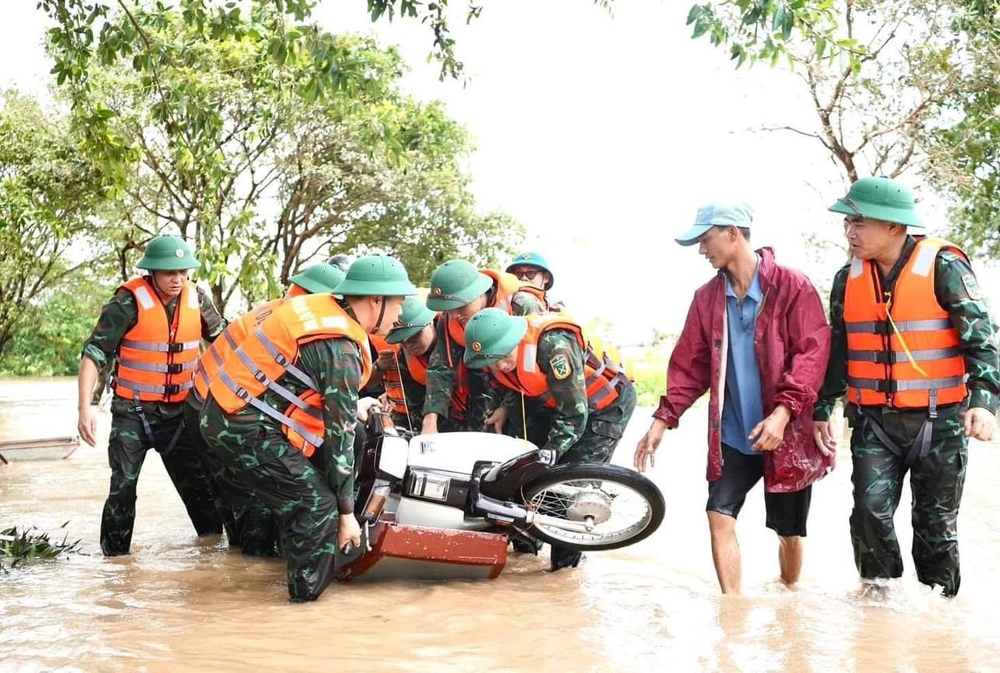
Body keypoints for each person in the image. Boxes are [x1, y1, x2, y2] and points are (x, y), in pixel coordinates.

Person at [813, 176, 999, 597]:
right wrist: (822, 406)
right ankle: (879, 610)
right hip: (873, 423)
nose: (850, 231)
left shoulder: (945, 268)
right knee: (868, 514)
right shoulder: (847, 279)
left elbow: (982, 343)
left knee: (935, 529)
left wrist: (984, 403)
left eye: (859, 222)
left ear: (895, 227)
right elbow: (840, 351)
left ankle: (939, 616)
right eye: (848, 222)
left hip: (941, 424)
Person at [633, 202, 833, 594]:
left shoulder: (793, 287)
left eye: (706, 240)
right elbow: (689, 366)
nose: (702, 250)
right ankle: (733, 611)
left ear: (732, 233)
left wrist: (782, 414)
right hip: (734, 434)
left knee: (788, 532)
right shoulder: (707, 299)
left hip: (784, 433)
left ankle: (789, 600)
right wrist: (662, 420)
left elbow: (812, 355)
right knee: (718, 514)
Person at [197, 254, 416, 602]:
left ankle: (288, 567)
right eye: (399, 303)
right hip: (240, 424)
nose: (401, 314)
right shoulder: (340, 347)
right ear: (377, 300)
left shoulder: (321, 308)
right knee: (316, 504)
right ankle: (304, 603)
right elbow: (339, 436)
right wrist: (346, 514)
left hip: (229, 410)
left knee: (305, 491)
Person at [77, 234, 226, 556]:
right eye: (169, 272)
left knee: (200, 487)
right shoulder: (127, 302)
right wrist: (85, 408)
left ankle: (214, 556)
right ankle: (115, 564)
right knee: (123, 487)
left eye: (183, 271)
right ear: (152, 273)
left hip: (181, 414)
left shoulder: (197, 298)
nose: (177, 279)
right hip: (134, 412)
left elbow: (226, 342)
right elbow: (94, 353)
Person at [186, 261, 347, 556]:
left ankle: (240, 560)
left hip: (206, 404)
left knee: (239, 499)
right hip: (221, 408)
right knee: (254, 497)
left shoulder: (281, 312)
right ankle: (252, 570)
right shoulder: (291, 323)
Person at [463, 308, 636, 570]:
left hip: (603, 408)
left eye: (503, 357)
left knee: (570, 486)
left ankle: (565, 572)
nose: (500, 366)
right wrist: (505, 410)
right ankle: (527, 553)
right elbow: (517, 386)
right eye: (492, 362)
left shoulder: (555, 348)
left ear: (515, 341)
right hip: (553, 406)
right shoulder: (499, 359)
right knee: (525, 477)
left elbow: (574, 414)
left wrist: (550, 454)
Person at [422, 259, 547, 434]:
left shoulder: (521, 305)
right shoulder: (450, 319)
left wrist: (507, 407)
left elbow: (539, 364)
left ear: (480, 293)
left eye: (461, 306)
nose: (455, 314)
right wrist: (430, 419)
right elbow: (441, 369)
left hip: (529, 400)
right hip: (484, 394)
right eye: (450, 309)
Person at [381, 296, 443, 432]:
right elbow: (415, 403)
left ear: (430, 323)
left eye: (414, 337)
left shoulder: (455, 342)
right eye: (402, 341)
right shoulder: (405, 358)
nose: (408, 345)